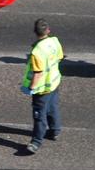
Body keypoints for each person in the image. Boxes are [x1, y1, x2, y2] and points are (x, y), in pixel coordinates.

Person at [21, 19, 64, 154]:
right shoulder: (54, 41)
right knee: (53, 107)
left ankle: (36, 141)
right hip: (54, 82)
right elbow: (60, 57)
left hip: (42, 88)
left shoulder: (37, 52)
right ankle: (55, 131)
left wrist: (31, 88)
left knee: (39, 115)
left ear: (35, 32)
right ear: (48, 30)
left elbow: (38, 73)